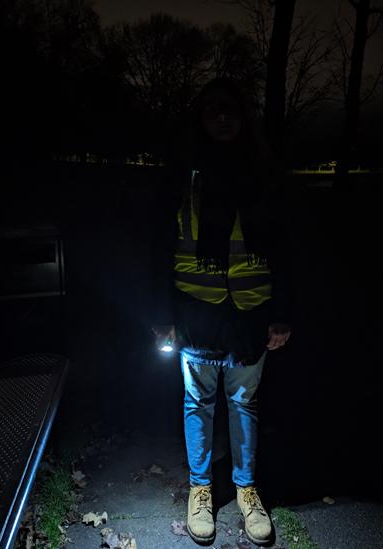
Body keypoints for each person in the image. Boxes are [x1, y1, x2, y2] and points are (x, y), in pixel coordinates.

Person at [151, 78, 292, 546]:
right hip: (197, 311)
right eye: (212, 109)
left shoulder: (265, 175)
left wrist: (283, 310)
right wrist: (160, 310)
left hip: (251, 311)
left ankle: (247, 490)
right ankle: (201, 488)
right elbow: (157, 242)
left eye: (229, 108)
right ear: (200, 118)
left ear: (243, 115)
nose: (222, 117)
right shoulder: (183, 174)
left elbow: (289, 246)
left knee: (244, 402)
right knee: (198, 401)